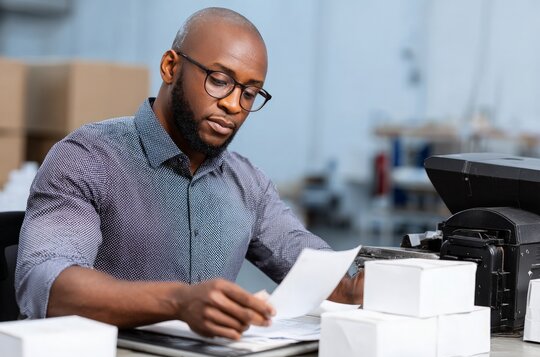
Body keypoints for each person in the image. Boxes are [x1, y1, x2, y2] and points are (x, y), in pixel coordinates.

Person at [15, 7, 363, 340]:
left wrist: (370, 282)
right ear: (170, 67)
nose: (232, 105)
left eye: (249, 92)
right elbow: (47, 283)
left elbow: (321, 272)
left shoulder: (247, 183)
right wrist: (178, 303)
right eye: (219, 80)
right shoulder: (89, 158)